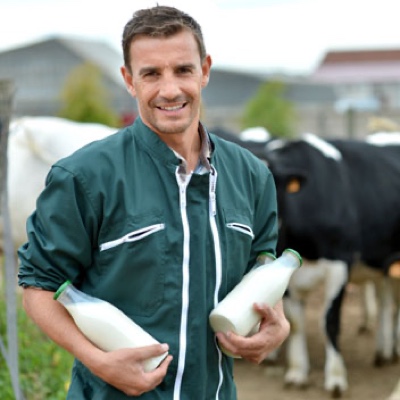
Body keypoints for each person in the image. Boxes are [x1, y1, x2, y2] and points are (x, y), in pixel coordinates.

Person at [18, 5, 290, 399]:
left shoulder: (251, 176)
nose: (170, 90)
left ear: (205, 70)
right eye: (151, 74)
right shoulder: (84, 177)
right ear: (129, 80)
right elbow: (38, 287)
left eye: (183, 70)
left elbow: (263, 270)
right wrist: (97, 360)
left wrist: (278, 323)